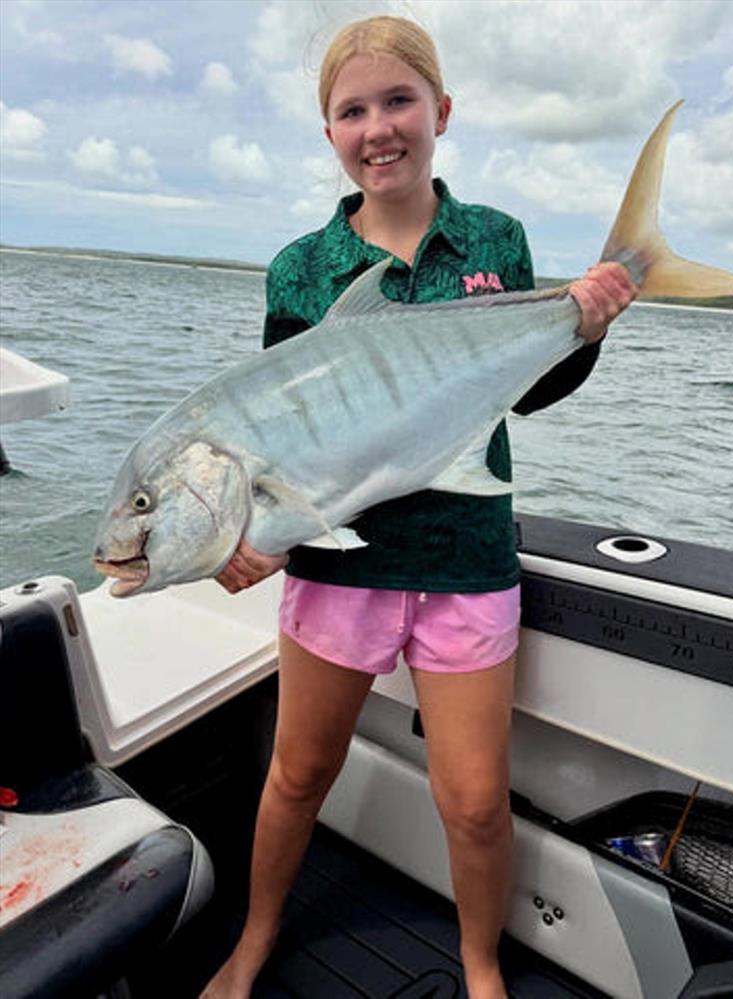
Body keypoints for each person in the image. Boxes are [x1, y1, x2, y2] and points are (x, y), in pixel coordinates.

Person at [201, 15, 636, 999]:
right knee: (297, 775)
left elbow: (520, 393)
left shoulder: (493, 240)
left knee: (477, 803)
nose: (377, 126)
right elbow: (273, 439)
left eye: (397, 100)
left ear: (439, 112)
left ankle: (479, 965)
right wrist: (248, 536)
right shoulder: (298, 271)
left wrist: (587, 328)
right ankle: (254, 938)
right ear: (329, 135)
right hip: (336, 564)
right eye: (351, 110)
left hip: (462, 556)